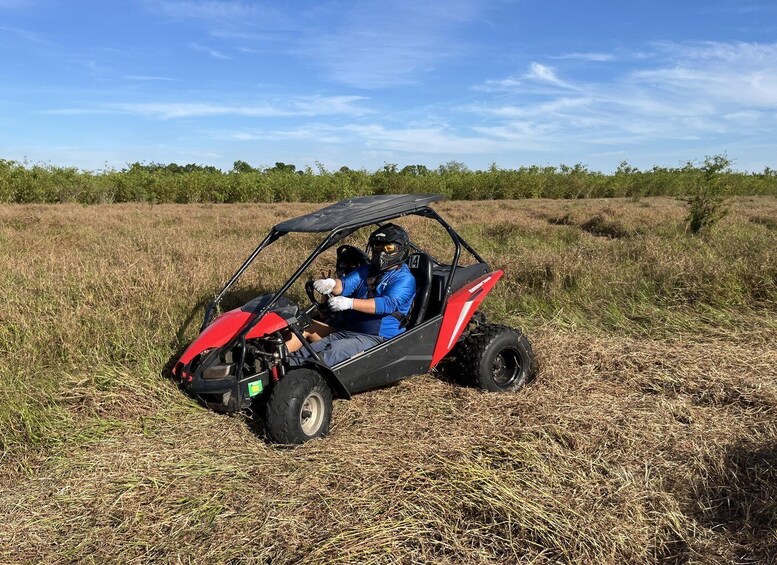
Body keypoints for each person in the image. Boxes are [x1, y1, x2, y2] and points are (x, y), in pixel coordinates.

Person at [287, 224, 416, 367]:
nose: (381, 252)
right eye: (377, 247)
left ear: (400, 248)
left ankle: (301, 379)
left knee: (331, 354)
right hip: (348, 332)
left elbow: (387, 304)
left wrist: (350, 303)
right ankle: (277, 367)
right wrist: (330, 283)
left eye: (388, 248)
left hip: (377, 338)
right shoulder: (366, 270)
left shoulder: (404, 278)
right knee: (305, 353)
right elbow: (344, 284)